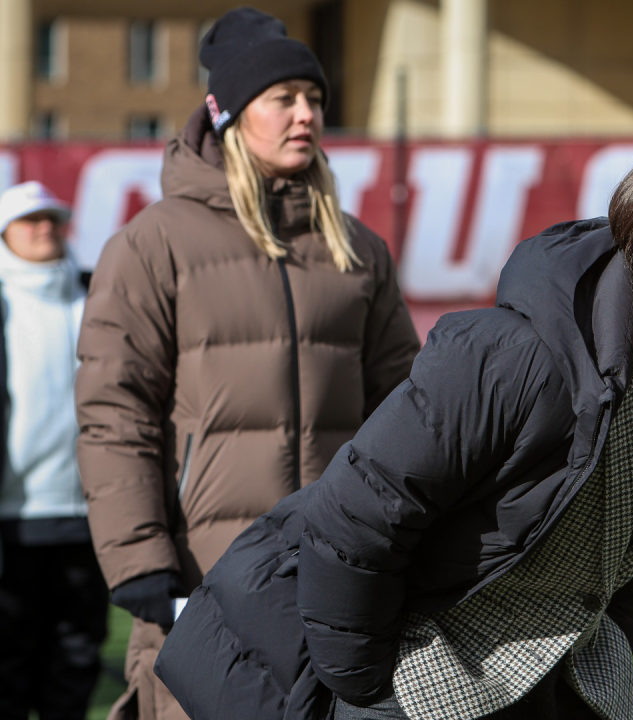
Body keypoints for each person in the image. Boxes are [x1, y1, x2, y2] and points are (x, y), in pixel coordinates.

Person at [155, 148, 633, 720]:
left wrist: (595, 650)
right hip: (401, 670)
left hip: (551, 677)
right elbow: (354, 517)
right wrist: (360, 686)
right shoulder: (516, 356)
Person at [76, 9, 421, 720]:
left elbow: (409, 413)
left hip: (336, 575)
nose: (306, 115)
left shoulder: (357, 248)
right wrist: (140, 560)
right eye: (284, 99)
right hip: (207, 569)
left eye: (316, 99)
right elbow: (115, 411)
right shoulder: (152, 244)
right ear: (229, 113)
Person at [0, 181, 107, 720]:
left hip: (87, 513)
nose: (44, 228)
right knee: (9, 658)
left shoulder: (97, 294)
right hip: (12, 516)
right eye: (29, 220)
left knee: (76, 653)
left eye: (52, 218)